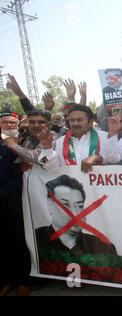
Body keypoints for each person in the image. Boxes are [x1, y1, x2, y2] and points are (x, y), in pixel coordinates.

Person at [35, 175, 117, 257]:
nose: (75, 214)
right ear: (49, 205)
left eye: (79, 206)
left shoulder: (103, 248)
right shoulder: (34, 240)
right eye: (65, 205)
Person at [0, 113, 33, 296]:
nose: (9, 124)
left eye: (13, 122)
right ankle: (7, 281)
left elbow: (21, 174)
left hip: (17, 202)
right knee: (3, 244)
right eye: (5, 122)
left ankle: (24, 281)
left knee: (20, 242)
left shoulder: (24, 143)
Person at [37, 104, 115, 173]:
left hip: (98, 188)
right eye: (72, 120)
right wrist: (47, 147)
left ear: (90, 122)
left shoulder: (105, 137)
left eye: (79, 120)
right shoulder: (61, 141)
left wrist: (98, 157)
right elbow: (53, 169)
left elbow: (115, 161)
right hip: (71, 188)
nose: (75, 123)